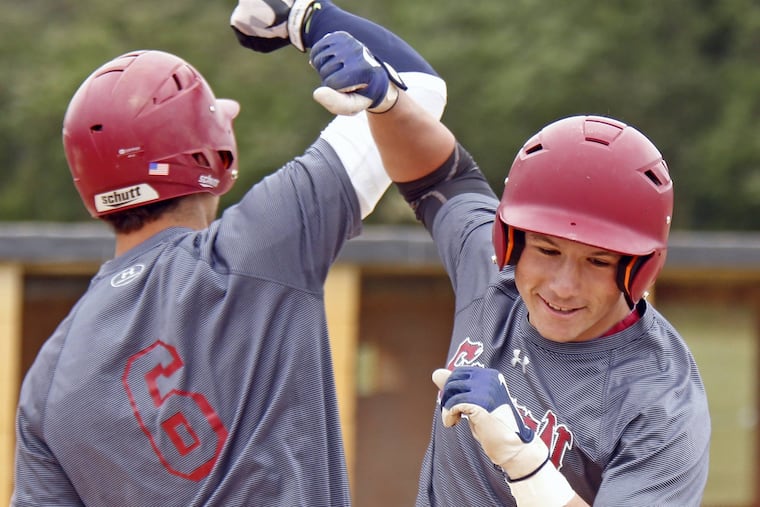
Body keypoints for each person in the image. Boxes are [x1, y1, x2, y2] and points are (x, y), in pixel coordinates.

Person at [11, 2, 446, 506]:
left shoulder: (46, 379)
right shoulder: (258, 243)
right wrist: (302, 16)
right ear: (211, 158)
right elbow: (417, 87)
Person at [306, 30, 711, 506]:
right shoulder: (494, 275)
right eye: (547, 250)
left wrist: (527, 463)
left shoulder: (660, 401)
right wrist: (387, 101)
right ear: (512, 240)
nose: (563, 285)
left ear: (640, 269)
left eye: (598, 261)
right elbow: (441, 176)